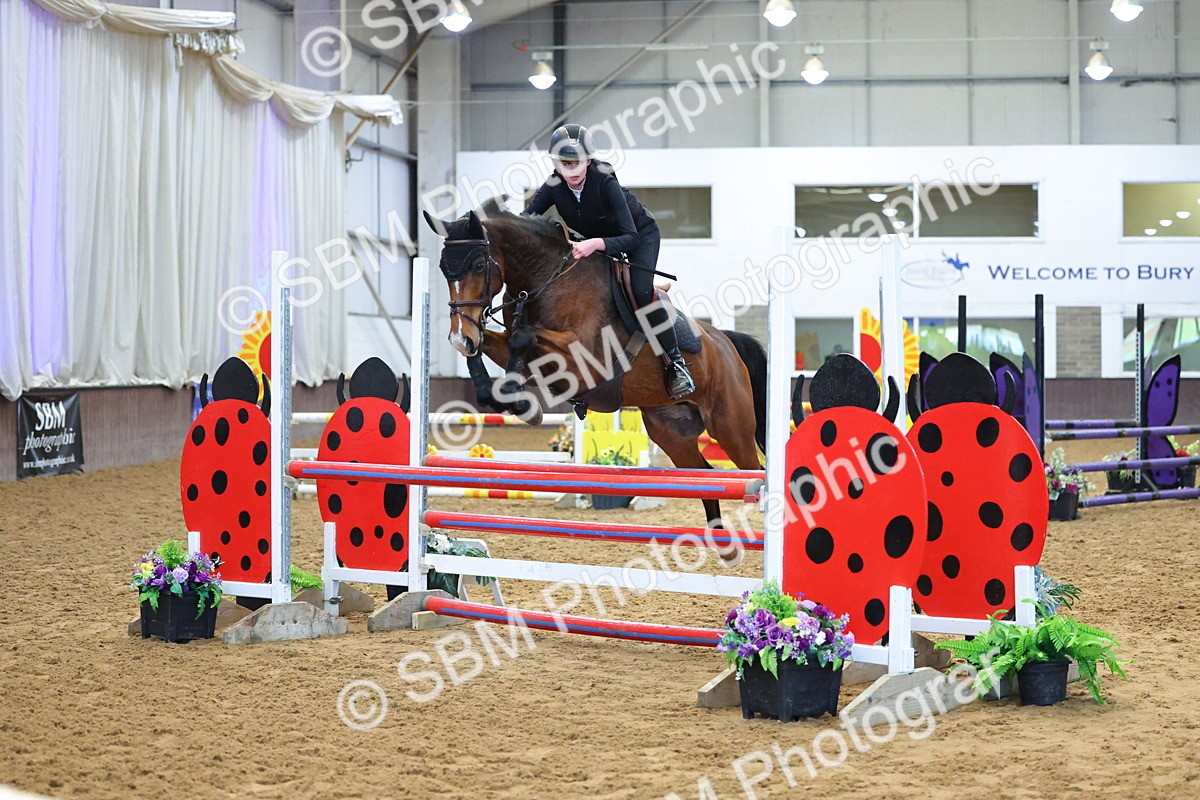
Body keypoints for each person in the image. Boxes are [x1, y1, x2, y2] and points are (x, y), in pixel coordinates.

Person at [523, 124, 695, 400]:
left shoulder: (605, 182)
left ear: (589, 161)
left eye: (577, 163)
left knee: (640, 292)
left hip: (638, 236)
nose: (571, 170)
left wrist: (594, 244)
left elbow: (631, 237)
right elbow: (526, 222)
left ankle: (676, 365)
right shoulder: (553, 185)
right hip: (595, 243)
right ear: (556, 163)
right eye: (565, 163)